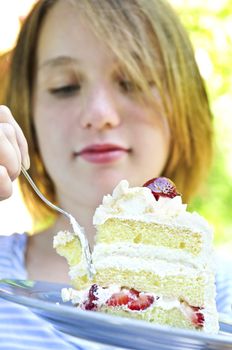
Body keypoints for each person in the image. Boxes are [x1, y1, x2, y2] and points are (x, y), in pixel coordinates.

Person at [0, 0, 231, 349]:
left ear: (182, 103)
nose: (99, 113)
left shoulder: (221, 293)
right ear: (26, 111)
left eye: (132, 81)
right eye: (65, 86)